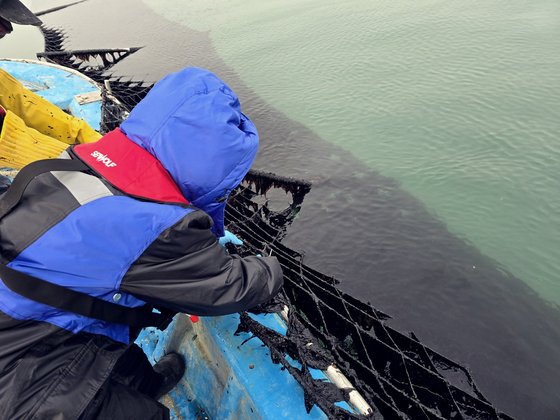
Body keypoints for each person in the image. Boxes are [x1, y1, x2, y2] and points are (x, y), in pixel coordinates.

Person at [0, 67, 284, 419]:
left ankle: (144, 382)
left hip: (22, 322)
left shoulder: (76, 165)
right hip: (19, 385)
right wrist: (271, 268)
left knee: (117, 350)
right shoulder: (159, 229)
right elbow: (229, 287)